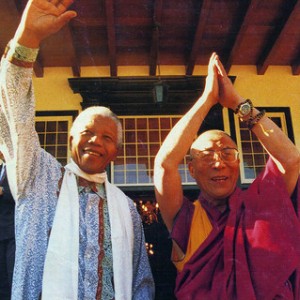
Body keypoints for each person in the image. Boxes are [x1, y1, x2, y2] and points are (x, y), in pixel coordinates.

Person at [0, 0, 155, 299]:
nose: (96, 141)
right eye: (87, 132)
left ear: (117, 152)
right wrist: (27, 39)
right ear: (71, 140)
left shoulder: (127, 209)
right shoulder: (37, 176)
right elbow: (14, 116)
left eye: (107, 137)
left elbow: (141, 282)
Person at [154, 52, 300, 299]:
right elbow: (165, 165)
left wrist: (238, 104)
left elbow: (291, 160)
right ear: (191, 168)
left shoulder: (261, 207)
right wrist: (206, 99)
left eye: (227, 153)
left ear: (239, 162)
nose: (218, 163)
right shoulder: (187, 219)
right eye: (207, 155)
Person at [0, 151, 15, 300]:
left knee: (11, 273)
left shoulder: (16, 170)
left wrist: (3, 191)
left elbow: (21, 194)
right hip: (0, 230)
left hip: (12, 232)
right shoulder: (1, 169)